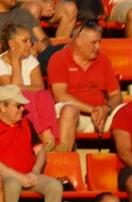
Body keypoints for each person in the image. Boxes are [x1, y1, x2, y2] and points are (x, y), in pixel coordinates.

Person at [0, 85, 61, 202]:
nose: (23, 109)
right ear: (3, 107)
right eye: (18, 106)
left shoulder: (26, 123)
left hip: (29, 175)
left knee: (55, 186)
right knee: (13, 184)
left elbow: (40, 151)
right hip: (5, 177)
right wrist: (18, 176)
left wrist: (35, 171)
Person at [48, 22, 121, 150]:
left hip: (101, 115)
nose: (98, 47)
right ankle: (64, 161)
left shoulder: (103, 60)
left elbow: (116, 95)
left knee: (128, 112)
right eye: (94, 43)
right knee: (69, 111)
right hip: (72, 114)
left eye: (99, 42)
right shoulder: (59, 59)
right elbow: (60, 96)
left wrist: (106, 108)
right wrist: (92, 110)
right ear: (79, 41)